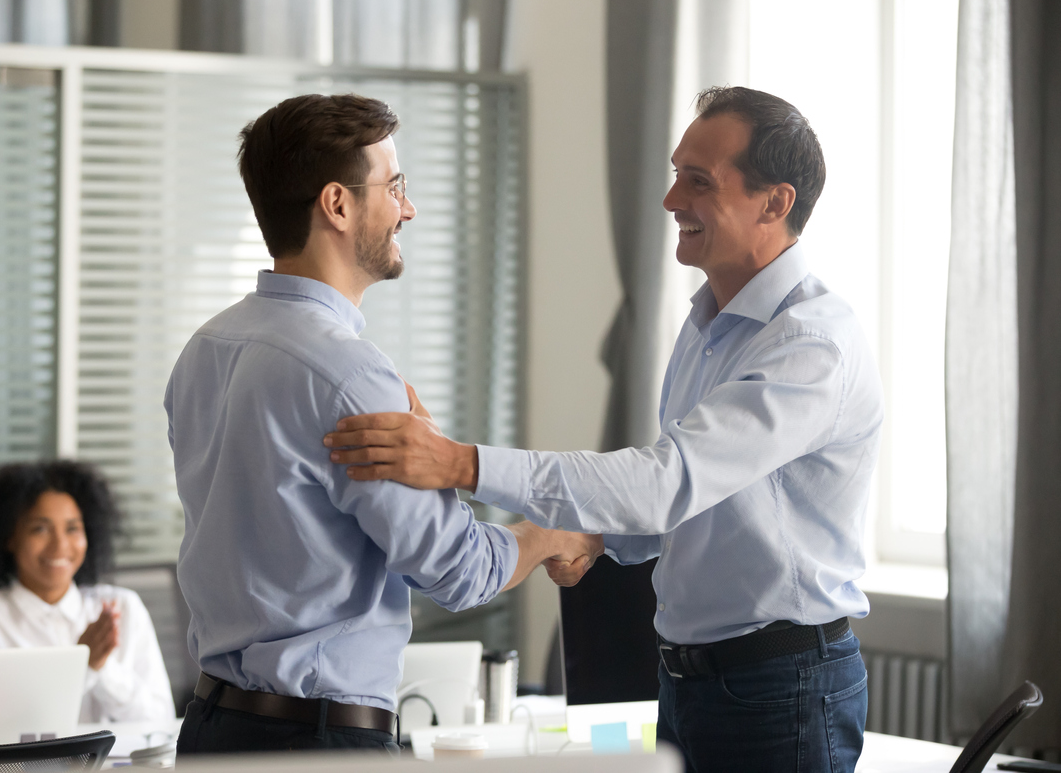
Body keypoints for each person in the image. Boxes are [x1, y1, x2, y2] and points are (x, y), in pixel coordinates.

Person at [324, 86, 884, 772]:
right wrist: (589, 536)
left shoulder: (811, 343)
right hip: (691, 682)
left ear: (776, 202)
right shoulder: (709, 322)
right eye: (677, 174)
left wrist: (461, 464)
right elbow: (691, 507)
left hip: (779, 688)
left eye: (699, 182)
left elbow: (666, 484)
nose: (671, 200)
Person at [165, 93, 602, 756]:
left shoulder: (206, 348)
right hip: (314, 742)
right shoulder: (347, 373)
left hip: (211, 729)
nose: (409, 208)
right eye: (394, 187)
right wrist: (544, 536)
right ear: (337, 205)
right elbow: (455, 571)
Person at [0, 460, 176, 724]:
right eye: (40, 529)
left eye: (72, 528)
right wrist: (82, 665)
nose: (60, 545)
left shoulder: (122, 607)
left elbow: (160, 721)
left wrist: (103, 668)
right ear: (9, 537)